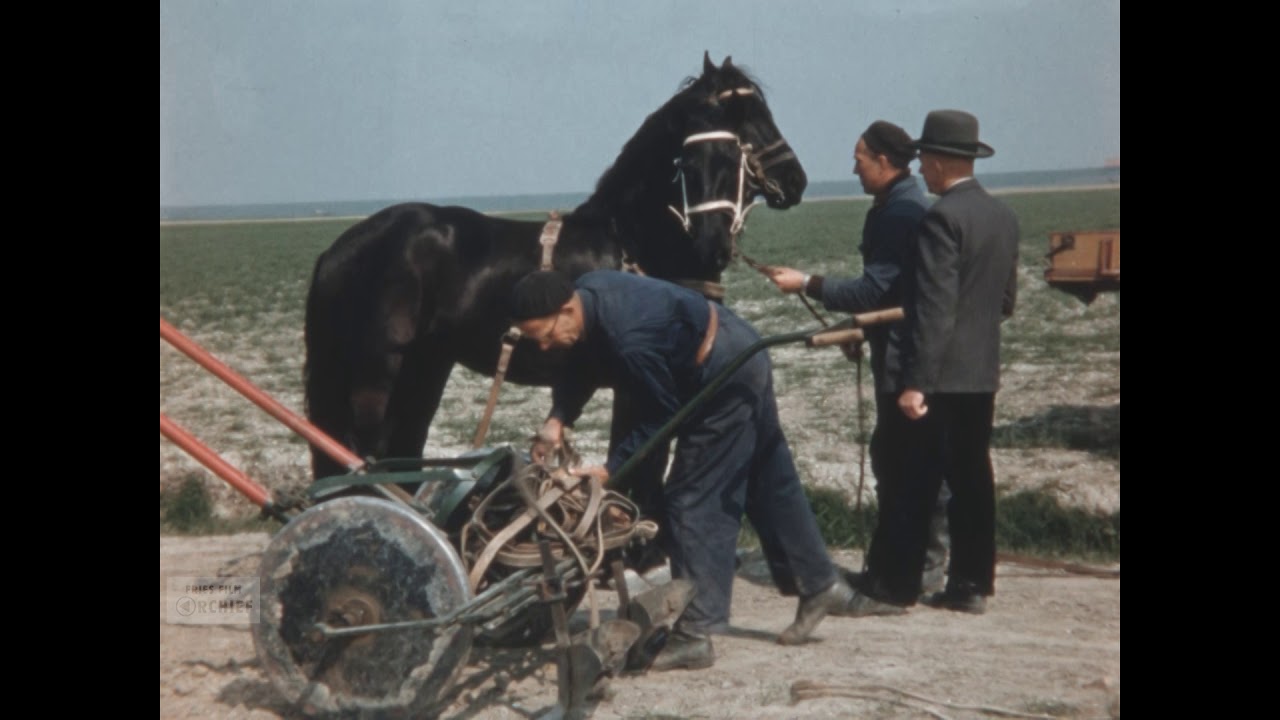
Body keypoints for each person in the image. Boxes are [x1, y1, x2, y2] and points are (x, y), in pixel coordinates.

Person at [510, 269, 856, 670]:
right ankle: (819, 582)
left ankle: (696, 632)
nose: (547, 347)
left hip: (723, 372)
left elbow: (659, 417)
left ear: (568, 308)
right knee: (768, 478)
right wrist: (558, 419)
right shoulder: (588, 293)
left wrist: (610, 470)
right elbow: (582, 361)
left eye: (547, 335)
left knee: (692, 498)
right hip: (738, 345)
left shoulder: (630, 339)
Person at [766, 120, 950, 610]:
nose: (853, 167)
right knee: (905, 460)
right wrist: (860, 329)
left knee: (902, 463)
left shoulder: (899, 213)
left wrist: (806, 282)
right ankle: (920, 567)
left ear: (885, 163)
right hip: (900, 352)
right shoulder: (900, 205)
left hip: (905, 363)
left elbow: (874, 290)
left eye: (860, 158)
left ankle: (909, 574)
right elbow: (896, 292)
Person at [895, 109, 1019, 614]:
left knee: (925, 479)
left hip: (943, 376)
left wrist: (916, 383)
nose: (920, 169)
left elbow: (935, 311)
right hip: (982, 370)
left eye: (923, 159)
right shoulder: (1002, 216)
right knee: (974, 477)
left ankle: (907, 578)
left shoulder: (941, 218)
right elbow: (1006, 302)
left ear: (941, 161)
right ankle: (972, 583)